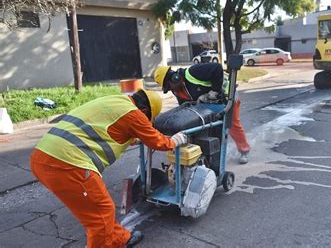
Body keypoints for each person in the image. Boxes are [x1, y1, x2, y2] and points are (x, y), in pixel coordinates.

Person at [30, 89, 188, 248]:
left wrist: (136, 139)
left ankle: (120, 239)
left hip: (42, 156)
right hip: (67, 163)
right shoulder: (134, 114)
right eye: (148, 120)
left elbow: (110, 131)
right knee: (101, 212)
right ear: (145, 111)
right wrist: (174, 141)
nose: (146, 122)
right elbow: (158, 142)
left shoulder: (116, 102)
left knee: (96, 208)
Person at [154, 63, 251, 164]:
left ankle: (244, 150)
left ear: (175, 78)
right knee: (208, 127)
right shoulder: (178, 90)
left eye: (170, 86)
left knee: (232, 124)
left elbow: (217, 68)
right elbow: (187, 109)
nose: (171, 90)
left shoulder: (193, 73)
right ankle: (210, 156)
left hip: (228, 96)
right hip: (211, 105)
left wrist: (215, 91)